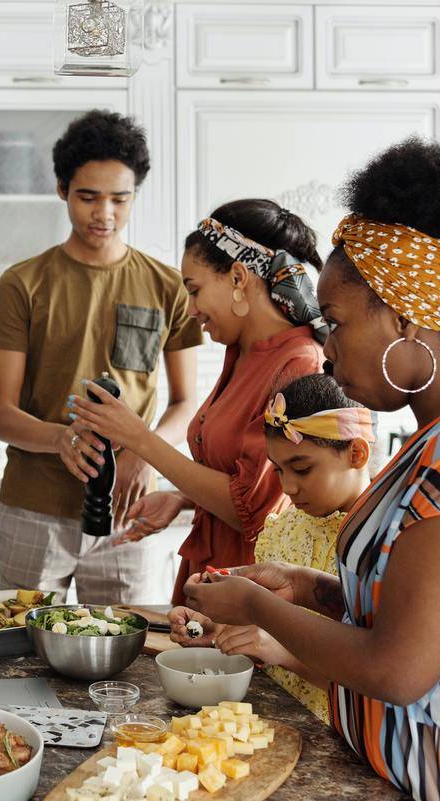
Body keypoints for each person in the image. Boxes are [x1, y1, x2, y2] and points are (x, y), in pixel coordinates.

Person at [184, 138, 440, 801]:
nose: (326, 347)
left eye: (339, 321)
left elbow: (400, 668)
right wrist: (310, 587)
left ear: (404, 317)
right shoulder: (437, 439)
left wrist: (258, 606)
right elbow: (420, 614)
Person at [0, 110, 202, 605]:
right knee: (22, 651)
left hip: (128, 510)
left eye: (119, 199)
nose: (104, 213)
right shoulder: (23, 284)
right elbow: (1, 413)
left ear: (134, 196)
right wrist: (61, 438)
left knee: (125, 656)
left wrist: (142, 450)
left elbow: (187, 403)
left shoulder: (167, 286)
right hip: (34, 508)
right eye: (88, 197)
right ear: (62, 189)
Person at [73, 199, 327, 603]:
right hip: (211, 576)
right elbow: (238, 472)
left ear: (239, 277)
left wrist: (139, 439)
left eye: (194, 290)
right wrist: (181, 497)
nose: (190, 310)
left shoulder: (299, 363)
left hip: (251, 589)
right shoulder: (241, 351)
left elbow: (255, 510)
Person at [169, 374, 373, 723]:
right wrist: (221, 629)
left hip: (344, 734)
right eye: (278, 470)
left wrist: (283, 653)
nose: (288, 486)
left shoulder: (381, 544)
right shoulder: (283, 531)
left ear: (356, 453)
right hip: (276, 720)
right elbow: (266, 631)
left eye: (302, 468)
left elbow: (378, 682)